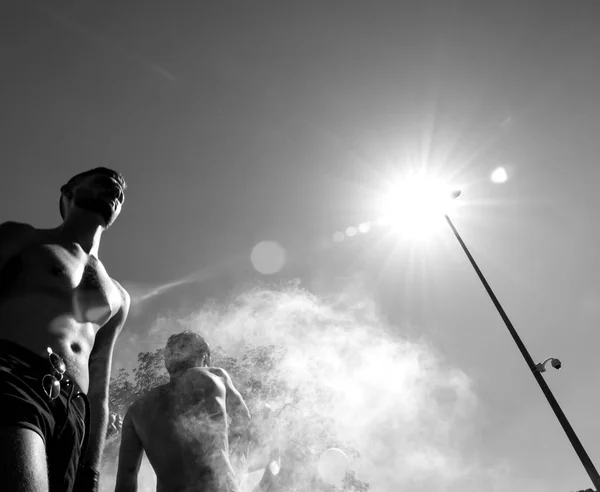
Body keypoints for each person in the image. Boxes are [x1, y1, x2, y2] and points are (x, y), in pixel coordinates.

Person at [0, 167, 131, 492]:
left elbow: (99, 389)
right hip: (15, 377)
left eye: (121, 191)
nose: (116, 186)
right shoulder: (23, 237)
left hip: (74, 413)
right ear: (68, 190)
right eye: (103, 179)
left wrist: (91, 470)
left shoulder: (118, 296)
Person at [115, 331, 278, 492]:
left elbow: (126, 480)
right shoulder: (216, 376)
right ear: (205, 357)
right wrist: (229, 456)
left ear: (167, 363)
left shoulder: (136, 410)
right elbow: (243, 419)